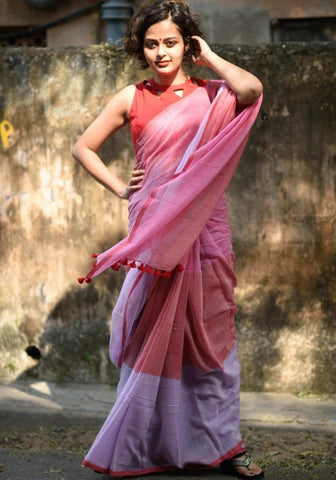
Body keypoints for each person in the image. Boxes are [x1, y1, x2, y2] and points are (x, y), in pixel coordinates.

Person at [72, 0, 263, 478]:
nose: (161, 52)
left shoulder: (213, 92)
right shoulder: (130, 97)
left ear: (187, 44)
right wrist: (121, 187)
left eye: (171, 42)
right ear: (141, 46)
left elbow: (252, 88)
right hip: (154, 228)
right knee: (149, 334)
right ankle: (146, 444)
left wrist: (211, 57)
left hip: (205, 232)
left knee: (212, 335)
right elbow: (83, 146)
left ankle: (226, 447)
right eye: (152, 43)